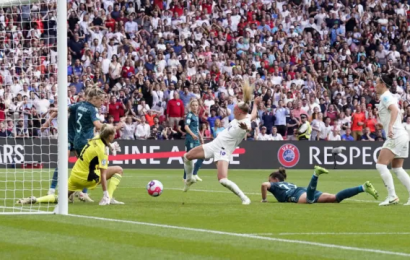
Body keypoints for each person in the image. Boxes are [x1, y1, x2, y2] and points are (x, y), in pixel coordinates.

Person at [183, 80, 260, 204]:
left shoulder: (244, 122)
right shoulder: (245, 116)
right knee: (187, 157)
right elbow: (254, 114)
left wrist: (247, 129)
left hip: (223, 151)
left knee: (222, 180)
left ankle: (244, 198)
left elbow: (249, 127)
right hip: (214, 144)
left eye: (234, 109)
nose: (232, 111)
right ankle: (190, 178)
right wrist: (255, 104)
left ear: (239, 112)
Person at [17, 124, 124, 206]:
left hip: (75, 175)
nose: (115, 135)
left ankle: (36, 199)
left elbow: (102, 140)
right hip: (87, 178)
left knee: (62, 198)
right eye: (114, 134)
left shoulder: (95, 138)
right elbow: (103, 174)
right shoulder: (102, 151)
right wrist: (105, 194)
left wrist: (110, 146)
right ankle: (108, 197)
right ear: (109, 136)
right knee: (118, 169)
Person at [374, 74, 410, 206]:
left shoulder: (385, 96)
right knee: (397, 168)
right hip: (402, 134)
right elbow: (396, 112)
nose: (375, 85)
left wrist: (389, 126)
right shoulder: (390, 96)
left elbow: (394, 110)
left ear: (383, 84)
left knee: (380, 164)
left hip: (395, 135)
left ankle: (392, 196)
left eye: (377, 82)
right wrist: (383, 124)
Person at [260, 166, 379, 204]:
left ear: (275, 179)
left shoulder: (275, 185)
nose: (269, 181)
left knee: (309, 201)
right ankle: (363, 187)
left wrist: (264, 199)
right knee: (335, 198)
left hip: (295, 194)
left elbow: (264, 185)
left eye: (270, 179)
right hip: (302, 190)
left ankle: (315, 175)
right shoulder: (288, 183)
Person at [183, 98, 203, 182]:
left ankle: (194, 173)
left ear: (198, 106)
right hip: (190, 139)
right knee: (189, 158)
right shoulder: (190, 115)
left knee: (202, 155)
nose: (195, 107)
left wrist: (200, 136)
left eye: (196, 105)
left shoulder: (196, 115)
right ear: (191, 106)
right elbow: (186, 126)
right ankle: (185, 178)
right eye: (193, 105)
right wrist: (192, 134)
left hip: (196, 138)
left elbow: (196, 128)